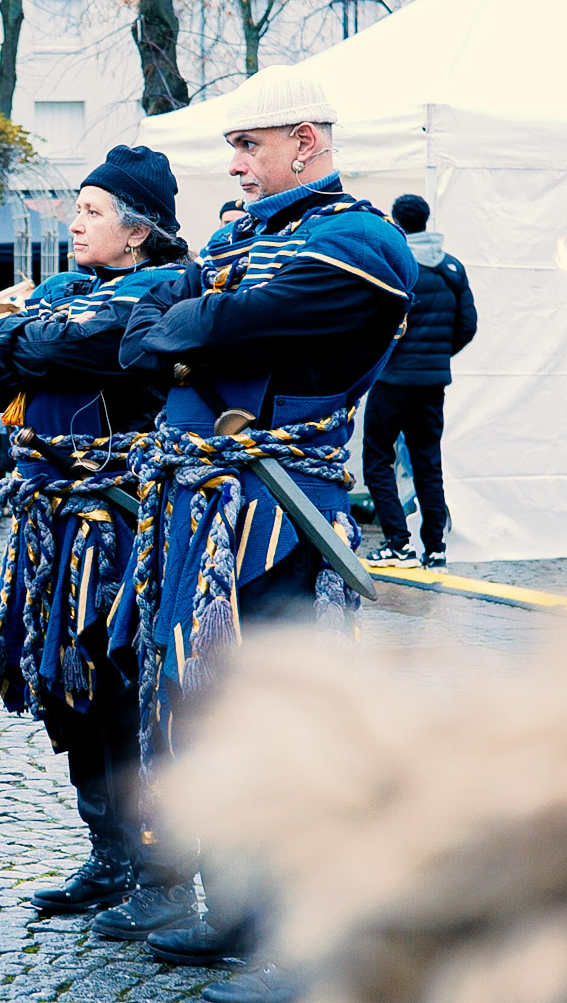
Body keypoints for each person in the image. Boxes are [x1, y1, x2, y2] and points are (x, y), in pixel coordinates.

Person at [118, 64, 414, 991]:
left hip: (283, 517)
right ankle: (237, 913)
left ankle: (304, 943)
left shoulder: (357, 240)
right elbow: (146, 341)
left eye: (250, 144)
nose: (236, 164)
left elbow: (214, 323)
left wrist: (193, 315)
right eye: (233, 147)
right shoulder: (245, 236)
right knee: (202, 713)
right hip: (202, 508)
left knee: (282, 721)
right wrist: (193, 317)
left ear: (307, 141)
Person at [0, 145, 183, 932]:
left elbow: (84, 345)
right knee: (69, 688)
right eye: (77, 206)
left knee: (131, 692)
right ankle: (109, 854)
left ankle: (161, 874)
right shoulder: (66, 289)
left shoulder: (165, 287)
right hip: (49, 525)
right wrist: (35, 334)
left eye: (92, 210)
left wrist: (33, 336)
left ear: (139, 231)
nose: (75, 220)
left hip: (120, 527)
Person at [361, 193, 477, 570]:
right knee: (428, 462)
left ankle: (398, 544)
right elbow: (467, 326)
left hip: (392, 381)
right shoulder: (452, 268)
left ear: (395, 220)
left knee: (378, 458)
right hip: (432, 383)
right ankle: (436, 548)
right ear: (427, 220)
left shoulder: (394, 263)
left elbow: (373, 322)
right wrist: (437, 357)